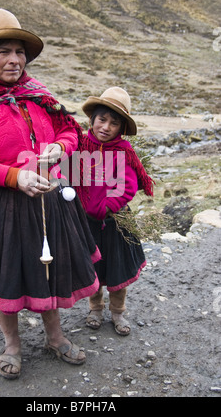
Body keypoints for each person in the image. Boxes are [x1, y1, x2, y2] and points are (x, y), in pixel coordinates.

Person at [0, 8, 100, 380]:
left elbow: (69, 130)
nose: (14, 60)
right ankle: (12, 344)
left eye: (19, 52)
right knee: (2, 275)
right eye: (4, 52)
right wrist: (14, 177)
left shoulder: (37, 94)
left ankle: (55, 337)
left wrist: (60, 147)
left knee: (50, 270)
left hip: (49, 199)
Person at [75, 87, 154, 336]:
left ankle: (118, 312)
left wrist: (107, 206)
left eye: (114, 123)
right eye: (102, 119)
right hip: (85, 223)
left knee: (118, 269)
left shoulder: (123, 152)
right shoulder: (79, 147)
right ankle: (95, 308)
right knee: (93, 268)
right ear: (92, 119)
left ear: (121, 128)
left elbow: (128, 186)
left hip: (115, 222)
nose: (106, 127)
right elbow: (69, 178)